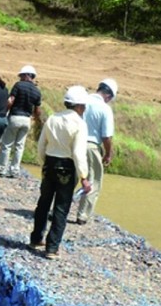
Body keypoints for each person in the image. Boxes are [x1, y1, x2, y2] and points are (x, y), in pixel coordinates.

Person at [28, 86, 92, 259]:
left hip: (49, 163)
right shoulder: (80, 124)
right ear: (79, 106)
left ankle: (36, 238)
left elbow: (42, 145)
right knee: (61, 208)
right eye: (84, 106)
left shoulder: (53, 119)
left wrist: (45, 163)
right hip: (67, 167)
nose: (84, 109)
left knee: (43, 203)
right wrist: (84, 177)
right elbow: (79, 153)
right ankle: (52, 247)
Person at [75, 78, 118, 225]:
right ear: (108, 96)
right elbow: (106, 136)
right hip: (91, 146)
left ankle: (56, 209)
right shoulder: (105, 109)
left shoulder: (82, 100)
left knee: (70, 178)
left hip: (74, 142)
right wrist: (108, 153)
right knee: (93, 181)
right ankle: (82, 215)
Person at [0, 65, 42, 178]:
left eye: (22, 75)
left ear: (27, 75)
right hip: (27, 120)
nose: (20, 77)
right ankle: (15, 170)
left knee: (7, 144)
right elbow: (37, 110)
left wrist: (4, 112)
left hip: (15, 117)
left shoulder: (18, 85)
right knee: (19, 146)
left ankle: (1, 169)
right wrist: (35, 119)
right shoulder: (37, 91)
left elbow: (10, 101)